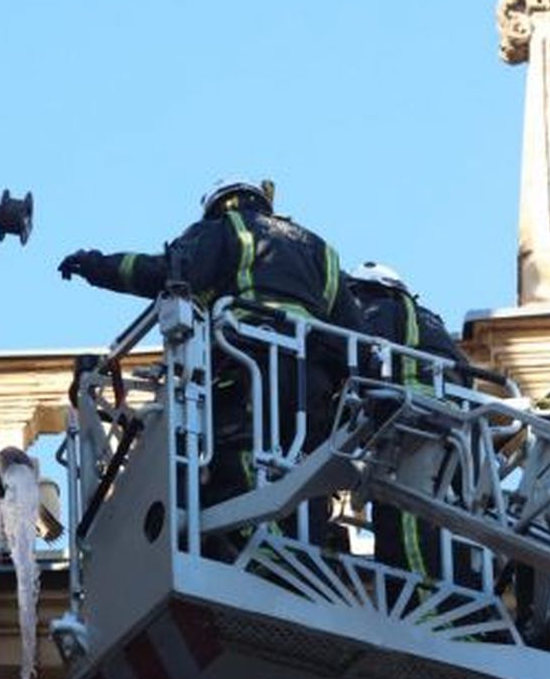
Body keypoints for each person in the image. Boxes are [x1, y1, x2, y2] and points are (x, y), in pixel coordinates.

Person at [58, 179, 362, 560]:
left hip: (247, 362)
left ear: (221, 204)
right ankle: (304, 558)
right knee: (303, 466)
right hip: (311, 382)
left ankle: (260, 558)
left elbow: (168, 271)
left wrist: (99, 266)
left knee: (241, 453)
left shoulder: (225, 230)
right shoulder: (321, 249)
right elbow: (355, 335)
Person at [343, 261, 469, 587]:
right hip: (454, 430)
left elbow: (363, 358)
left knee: (407, 518)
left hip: (411, 424)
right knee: (444, 520)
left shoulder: (378, 310)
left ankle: (423, 600)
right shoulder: (432, 322)